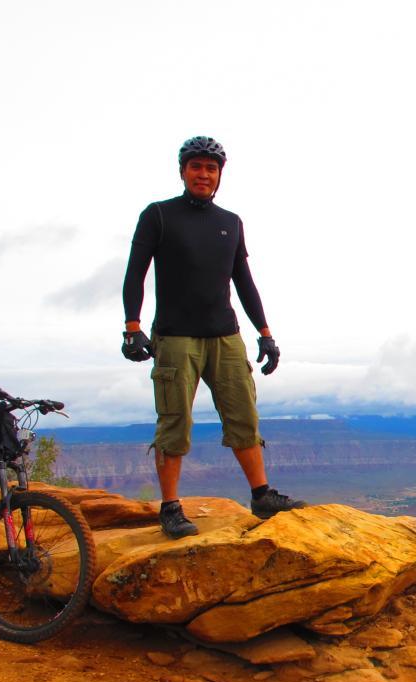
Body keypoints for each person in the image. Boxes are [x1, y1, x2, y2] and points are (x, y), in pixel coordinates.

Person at [121, 135, 303, 539]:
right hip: (175, 338)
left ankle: (261, 495)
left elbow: (244, 281)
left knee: (243, 416)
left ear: (220, 175)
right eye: (196, 167)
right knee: (175, 422)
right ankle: (170, 507)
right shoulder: (159, 215)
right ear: (183, 170)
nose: (203, 174)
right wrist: (132, 327)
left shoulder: (230, 223)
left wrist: (265, 333)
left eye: (211, 168)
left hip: (225, 335)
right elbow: (136, 272)